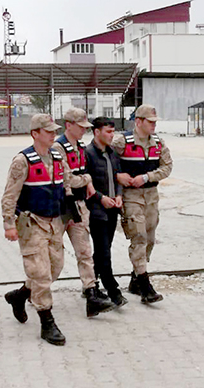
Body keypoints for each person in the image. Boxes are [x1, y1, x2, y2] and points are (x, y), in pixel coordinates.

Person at [1, 114, 67, 346]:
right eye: (47, 131)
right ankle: (47, 321)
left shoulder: (58, 157)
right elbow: (10, 195)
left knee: (55, 268)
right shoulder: (23, 160)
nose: (52, 134)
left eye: (54, 131)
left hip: (54, 222)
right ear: (35, 133)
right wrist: (9, 224)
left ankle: (19, 296)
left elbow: (65, 186)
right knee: (40, 273)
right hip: (32, 223)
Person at [52, 107, 116, 316]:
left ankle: (91, 294)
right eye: (80, 127)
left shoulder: (80, 147)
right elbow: (67, 178)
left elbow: (82, 173)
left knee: (85, 252)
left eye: (85, 127)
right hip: (61, 207)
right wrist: (87, 180)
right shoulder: (58, 147)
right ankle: (27, 291)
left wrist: (86, 181)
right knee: (53, 259)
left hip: (78, 206)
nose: (83, 131)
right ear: (68, 125)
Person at [111, 104, 173, 304]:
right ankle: (145, 284)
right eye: (150, 122)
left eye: (155, 122)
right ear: (138, 121)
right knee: (138, 236)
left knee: (150, 238)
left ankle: (135, 278)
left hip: (151, 195)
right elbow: (106, 162)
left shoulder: (158, 143)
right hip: (131, 196)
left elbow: (167, 167)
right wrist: (118, 176)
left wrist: (147, 177)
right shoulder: (122, 142)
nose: (154, 125)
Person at [84, 117, 128, 308]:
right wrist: (101, 198)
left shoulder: (112, 153)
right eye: (108, 132)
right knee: (104, 252)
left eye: (113, 131)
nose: (112, 135)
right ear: (96, 132)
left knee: (103, 250)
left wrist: (118, 196)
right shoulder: (87, 154)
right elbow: (86, 184)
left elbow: (117, 177)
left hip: (112, 210)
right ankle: (113, 290)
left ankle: (90, 286)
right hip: (96, 210)